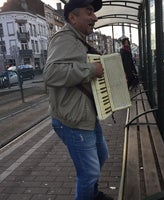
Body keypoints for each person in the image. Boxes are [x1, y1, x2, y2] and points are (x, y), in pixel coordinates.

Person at [43, 0, 113, 200]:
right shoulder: (65, 38)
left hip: (86, 115)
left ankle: (92, 194)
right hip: (72, 120)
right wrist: (91, 70)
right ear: (72, 17)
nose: (95, 17)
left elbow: (80, 75)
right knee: (89, 172)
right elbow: (51, 74)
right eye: (89, 12)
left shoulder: (79, 40)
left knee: (101, 156)